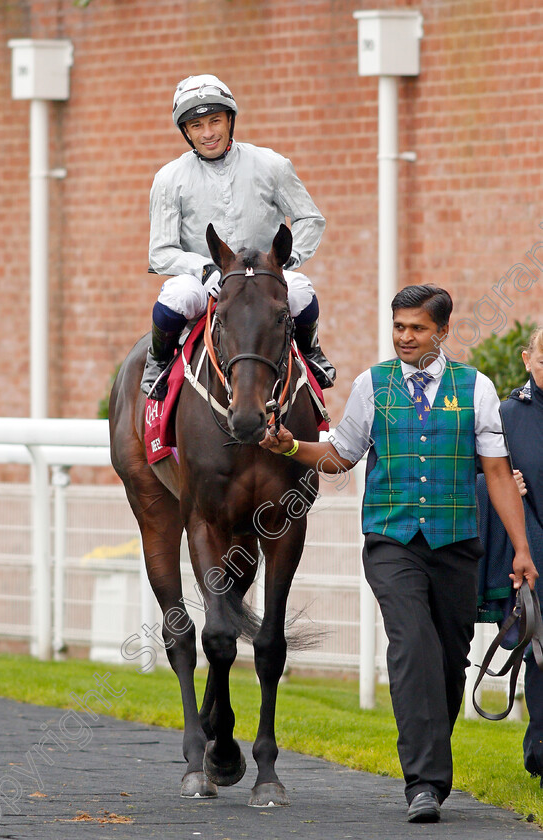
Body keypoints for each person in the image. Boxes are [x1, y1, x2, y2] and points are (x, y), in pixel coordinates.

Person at [259, 284, 538, 823]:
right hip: (391, 541)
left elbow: (499, 474)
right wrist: (290, 447)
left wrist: (521, 549)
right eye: (398, 327)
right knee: (411, 646)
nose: (405, 337)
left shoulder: (474, 388)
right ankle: (424, 783)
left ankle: (432, 760)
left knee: (448, 661)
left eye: (416, 328)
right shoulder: (372, 385)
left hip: (458, 545)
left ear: (443, 332)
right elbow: (341, 455)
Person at [141, 73, 336, 399]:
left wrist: (283, 262)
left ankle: (312, 351)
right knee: (176, 297)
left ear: (230, 120)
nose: (208, 133)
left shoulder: (272, 165)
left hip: (263, 277)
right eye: (196, 126)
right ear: (186, 133)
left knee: (300, 290)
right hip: (206, 282)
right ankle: (157, 361)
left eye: (214, 121)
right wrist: (203, 269)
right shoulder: (168, 179)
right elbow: (160, 251)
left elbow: (309, 218)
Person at [477, 326, 543, 786]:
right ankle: (541, 751)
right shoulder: (507, 414)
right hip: (536, 555)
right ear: (526, 358)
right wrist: (502, 487)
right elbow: (479, 477)